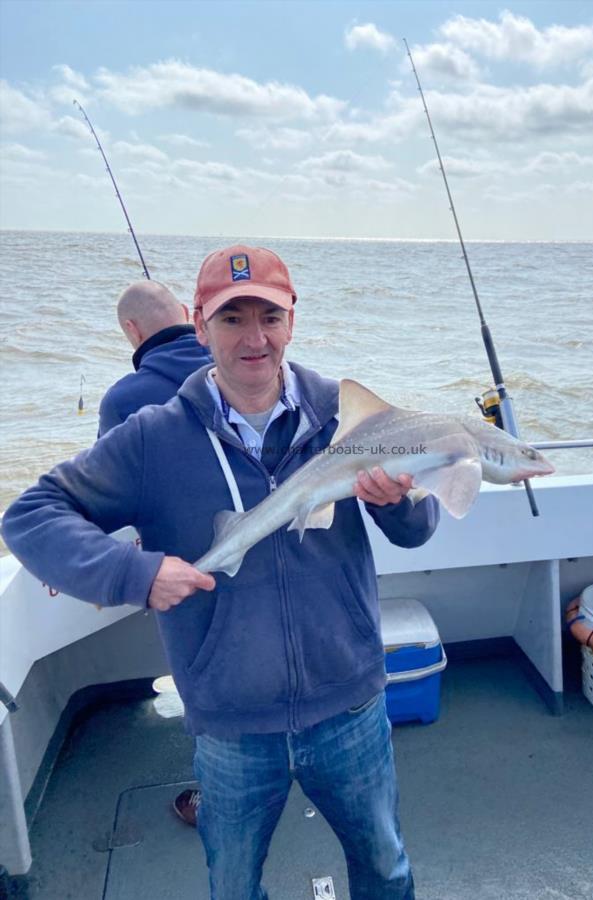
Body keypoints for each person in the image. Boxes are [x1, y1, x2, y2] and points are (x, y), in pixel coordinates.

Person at [3, 244, 439, 900]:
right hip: (230, 719)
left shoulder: (347, 419)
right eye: (231, 318)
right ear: (198, 323)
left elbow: (418, 528)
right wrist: (132, 573)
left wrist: (399, 499)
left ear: (293, 319)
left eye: (268, 315)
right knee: (232, 886)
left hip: (348, 703)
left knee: (385, 867)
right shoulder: (154, 437)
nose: (253, 337)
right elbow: (31, 515)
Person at [99, 278, 212, 825]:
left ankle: (215, 794)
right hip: (258, 548)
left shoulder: (124, 398)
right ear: (191, 315)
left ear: (131, 331)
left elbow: (107, 503)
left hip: (183, 575)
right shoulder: (239, 370)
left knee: (204, 685)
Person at [98, 279, 212, 435]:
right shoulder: (235, 370)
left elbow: (105, 459)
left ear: (132, 329)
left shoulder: (120, 401)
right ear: (185, 313)